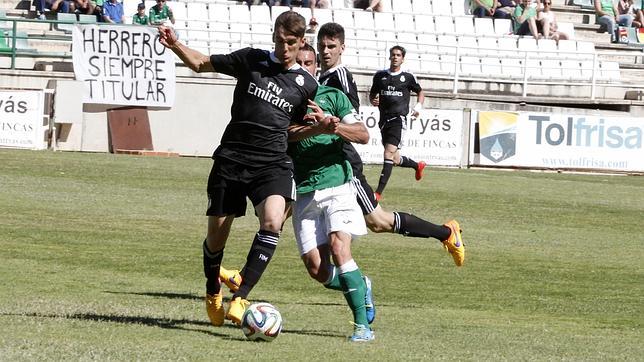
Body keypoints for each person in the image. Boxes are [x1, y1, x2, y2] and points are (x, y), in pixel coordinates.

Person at [157, 11, 318, 327]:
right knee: (216, 238)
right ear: (273, 35)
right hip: (232, 159)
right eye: (279, 40)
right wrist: (175, 45)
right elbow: (201, 64)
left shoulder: (307, 84)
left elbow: (293, 127)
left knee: (273, 221)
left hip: (272, 163)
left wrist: (317, 126)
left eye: (290, 43)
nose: (284, 48)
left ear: (301, 43)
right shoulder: (251, 60)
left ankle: (241, 296)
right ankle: (212, 290)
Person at [316, 22, 465, 267]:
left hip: (343, 164)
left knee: (378, 221)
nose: (326, 51)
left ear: (342, 48)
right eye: (322, 46)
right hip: (326, 162)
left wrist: (327, 124)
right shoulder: (322, 76)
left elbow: (352, 119)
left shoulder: (340, 76)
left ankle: (447, 233)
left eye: (331, 46)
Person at [369, 45, 426, 200]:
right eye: (393, 55)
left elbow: (420, 92)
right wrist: (373, 100)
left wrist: (418, 106)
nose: (395, 57)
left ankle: (378, 193)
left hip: (398, 120)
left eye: (398, 55)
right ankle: (417, 166)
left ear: (402, 58)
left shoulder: (407, 77)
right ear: (389, 57)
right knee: (394, 158)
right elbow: (372, 93)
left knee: (388, 153)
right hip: (383, 121)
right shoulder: (380, 76)